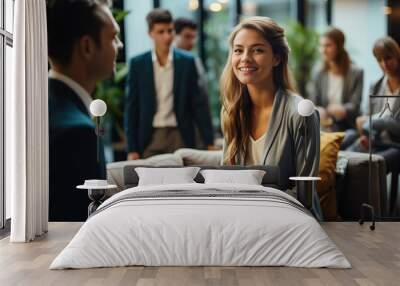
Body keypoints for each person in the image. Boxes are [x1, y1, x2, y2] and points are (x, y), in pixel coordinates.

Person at [220, 17, 322, 219]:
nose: (245, 58)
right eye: (238, 50)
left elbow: (304, 194)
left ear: (277, 58)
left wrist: (256, 213)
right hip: (241, 219)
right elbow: (224, 179)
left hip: (292, 221)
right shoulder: (231, 111)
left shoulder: (300, 113)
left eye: (257, 50)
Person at [47, 0, 123, 221]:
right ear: (87, 47)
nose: (120, 45)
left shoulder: (45, 106)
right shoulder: (77, 132)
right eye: (113, 37)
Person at [124, 9, 215, 160]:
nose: (167, 36)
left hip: (180, 134)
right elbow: (132, 108)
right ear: (150, 33)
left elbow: (200, 105)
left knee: (183, 181)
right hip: (150, 136)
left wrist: (209, 141)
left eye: (170, 30)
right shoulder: (138, 64)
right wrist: (132, 148)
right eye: (161, 32)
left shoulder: (188, 62)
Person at [347, 37, 400, 163]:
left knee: (373, 164)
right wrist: (366, 136)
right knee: (346, 158)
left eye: (388, 58)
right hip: (376, 140)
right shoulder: (375, 85)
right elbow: (366, 116)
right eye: (379, 60)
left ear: (397, 56)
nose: (384, 64)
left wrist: (375, 122)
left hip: (395, 144)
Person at [310, 27, 363, 132]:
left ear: (339, 46)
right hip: (324, 124)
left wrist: (343, 109)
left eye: (328, 45)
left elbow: (355, 105)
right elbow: (313, 100)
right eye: (321, 46)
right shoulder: (318, 72)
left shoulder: (356, 72)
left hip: (347, 126)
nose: (323, 50)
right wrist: (318, 109)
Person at [174, 17, 212, 148]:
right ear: (175, 35)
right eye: (187, 37)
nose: (192, 42)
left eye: (194, 37)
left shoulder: (194, 61)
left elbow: (202, 101)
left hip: (193, 131)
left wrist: (208, 138)